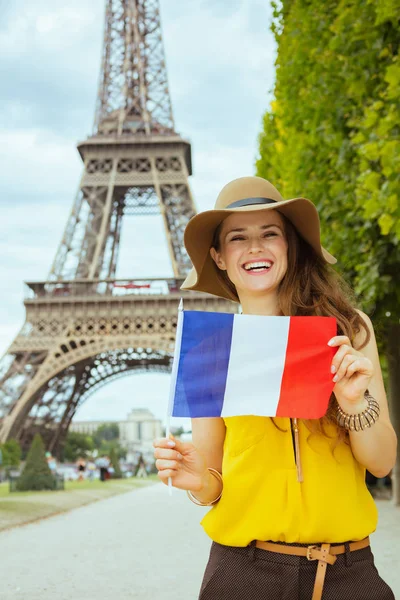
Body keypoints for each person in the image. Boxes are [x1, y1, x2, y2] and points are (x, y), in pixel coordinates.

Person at [153, 177, 397, 600]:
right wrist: (197, 480)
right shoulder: (211, 351)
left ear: (290, 246)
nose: (255, 248)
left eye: (270, 234)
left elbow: (381, 463)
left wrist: (354, 402)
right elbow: (215, 483)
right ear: (219, 257)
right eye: (237, 238)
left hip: (348, 574)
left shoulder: (348, 332)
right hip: (244, 573)